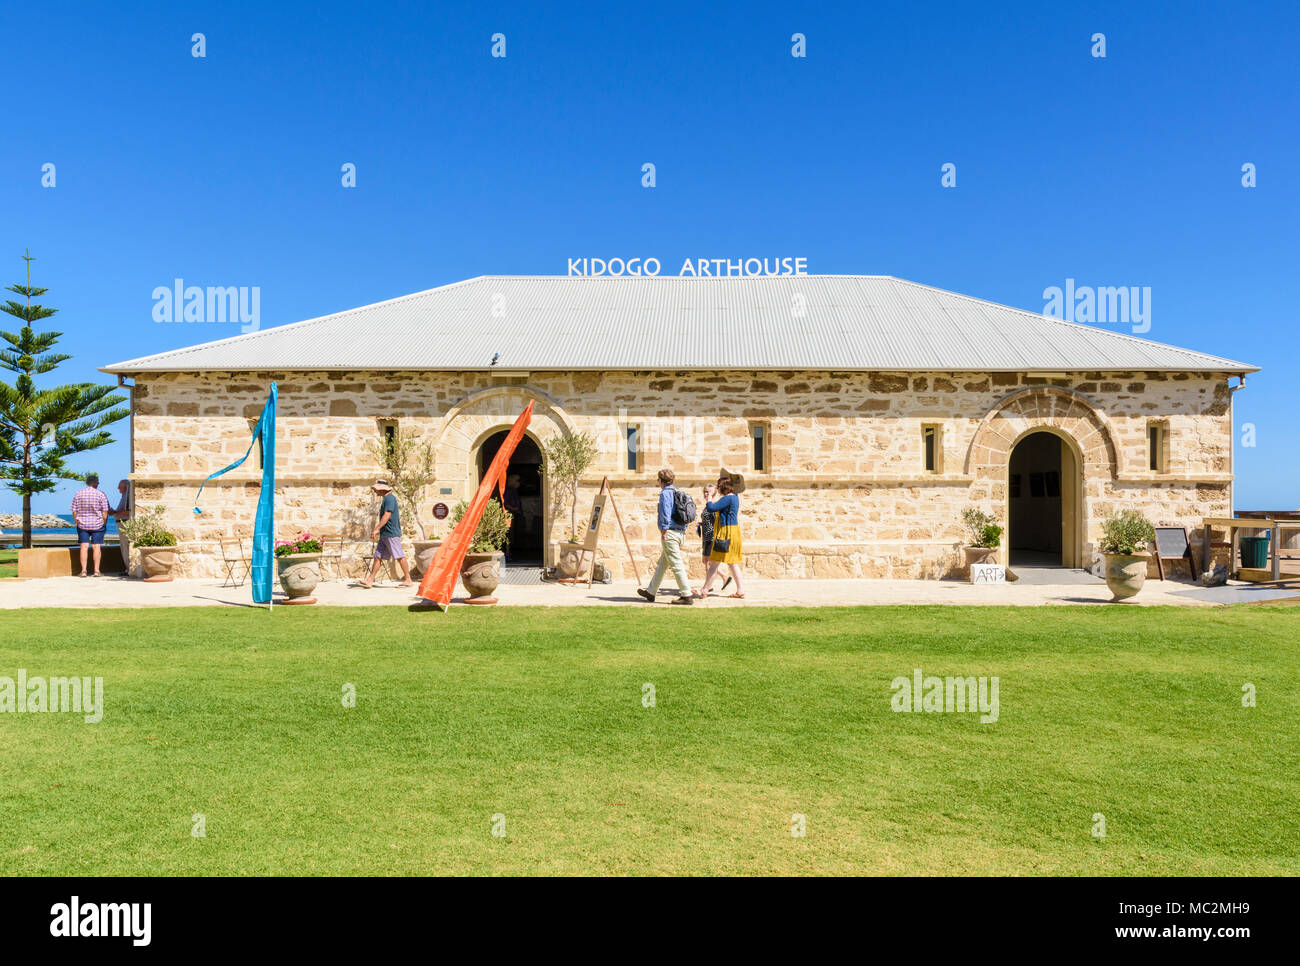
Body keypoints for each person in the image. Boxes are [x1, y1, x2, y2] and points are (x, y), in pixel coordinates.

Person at [637, 468, 693, 604]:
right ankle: (651, 592)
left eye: (658, 480)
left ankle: (686, 595)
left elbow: (665, 513)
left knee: (676, 565)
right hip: (680, 533)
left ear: (661, 481)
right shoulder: (677, 492)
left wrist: (663, 530)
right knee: (663, 564)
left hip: (670, 533)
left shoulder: (665, 494)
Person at [696, 470, 745, 598]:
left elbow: (711, 508)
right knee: (732, 563)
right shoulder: (734, 497)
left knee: (714, 562)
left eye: (718, 486)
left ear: (722, 487)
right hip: (733, 532)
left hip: (725, 532)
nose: (717, 488)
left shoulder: (728, 498)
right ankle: (740, 591)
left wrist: (709, 497)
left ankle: (704, 590)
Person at [359, 479, 414, 588]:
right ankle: (370, 580)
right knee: (378, 556)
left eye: (376, 489)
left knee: (399, 556)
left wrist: (376, 529)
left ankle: (408, 579)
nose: (375, 491)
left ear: (382, 489)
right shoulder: (386, 499)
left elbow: (387, 515)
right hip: (385, 534)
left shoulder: (390, 499)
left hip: (391, 533)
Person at [71, 473, 111, 578]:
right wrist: (104, 523)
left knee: (84, 546)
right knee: (96, 546)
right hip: (97, 524)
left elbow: (74, 511)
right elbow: (105, 512)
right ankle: (96, 571)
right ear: (95, 483)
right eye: (97, 482)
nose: (98, 484)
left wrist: (77, 522)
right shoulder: (100, 494)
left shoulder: (78, 493)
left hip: (82, 524)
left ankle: (83, 571)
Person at [112, 479, 132, 575]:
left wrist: (115, 512)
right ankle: (128, 568)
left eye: (119, 486)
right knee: (124, 546)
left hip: (124, 523)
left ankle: (129, 569)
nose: (118, 488)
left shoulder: (127, 497)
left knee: (125, 546)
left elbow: (128, 511)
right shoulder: (125, 497)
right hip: (122, 522)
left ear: (125, 487)